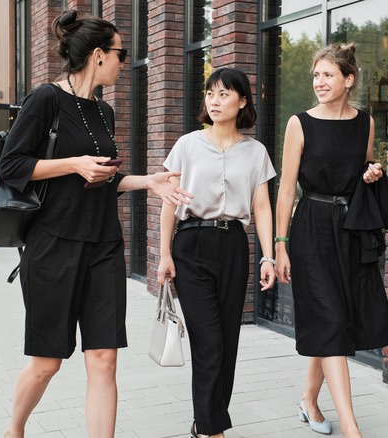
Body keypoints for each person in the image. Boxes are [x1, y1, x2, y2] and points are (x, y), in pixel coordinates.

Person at [0, 10, 191, 438]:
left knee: (104, 359)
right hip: (52, 245)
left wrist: (149, 182)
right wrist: (73, 164)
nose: (126, 61)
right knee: (47, 362)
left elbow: (104, 177)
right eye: (122, 54)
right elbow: (9, 167)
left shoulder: (104, 111)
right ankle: (14, 429)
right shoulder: (45, 98)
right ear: (99, 55)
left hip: (103, 245)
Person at [274, 43, 388, 437]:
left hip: (351, 230)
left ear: (349, 79)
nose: (319, 82)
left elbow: (360, 171)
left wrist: (371, 174)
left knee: (336, 322)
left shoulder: (365, 122)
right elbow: (287, 190)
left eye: (328, 75)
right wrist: (280, 244)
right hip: (312, 227)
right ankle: (351, 427)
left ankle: (308, 401)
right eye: (316, 75)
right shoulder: (300, 123)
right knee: (330, 319)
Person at [157, 67, 277, 438]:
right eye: (210, 93)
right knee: (208, 341)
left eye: (224, 94)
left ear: (242, 102)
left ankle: (204, 421)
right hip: (191, 244)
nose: (215, 100)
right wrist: (164, 255)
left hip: (233, 246)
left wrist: (268, 256)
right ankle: (212, 430)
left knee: (227, 341)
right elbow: (168, 202)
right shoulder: (188, 145)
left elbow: (261, 207)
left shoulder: (255, 152)